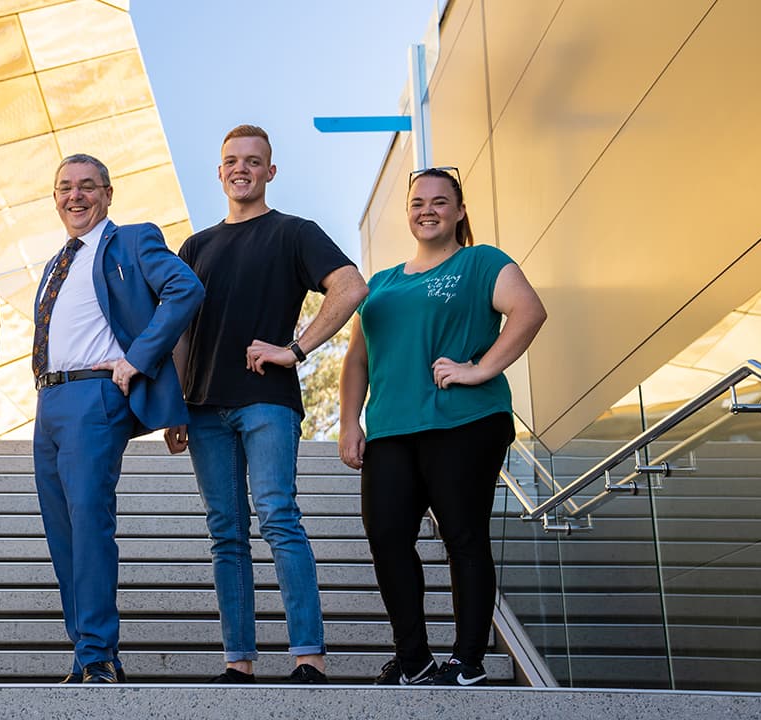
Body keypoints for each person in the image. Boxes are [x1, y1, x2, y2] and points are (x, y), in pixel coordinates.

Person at [164, 125, 368, 684]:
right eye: (231, 160)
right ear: (220, 170)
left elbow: (351, 285)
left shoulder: (293, 233)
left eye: (254, 161)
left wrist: (295, 349)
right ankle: (239, 660)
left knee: (278, 517)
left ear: (270, 172)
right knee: (225, 531)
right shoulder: (196, 247)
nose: (241, 169)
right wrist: (176, 404)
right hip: (205, 408)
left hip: (266, 402)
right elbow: (181, 330)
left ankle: (308, 655)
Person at [338, 166, 547, 687]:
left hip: (465, 421)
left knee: (463, 535)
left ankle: (469, 660)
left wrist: (480, 369)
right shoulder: (381, 283)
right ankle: (414, 659)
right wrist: (349, 423)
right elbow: (356, 361)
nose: (426, 209)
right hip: (389, 430)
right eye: (417, 203)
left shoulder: (481, 262)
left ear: (458, 211)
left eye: (438, 201)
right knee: (386, 536)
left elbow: (528, 311)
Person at [33, 153, 203, 683]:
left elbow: (186, 289)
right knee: (62, 533)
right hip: (49, 401)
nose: (75, 196)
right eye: (65, 187)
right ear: (55, 196)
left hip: (94, 396)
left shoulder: (131, 239)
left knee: (89, 524)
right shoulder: (56, 261)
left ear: (108, 194)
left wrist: (138, 359)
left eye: (87, 187)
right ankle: (84, 652)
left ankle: (100, 654)